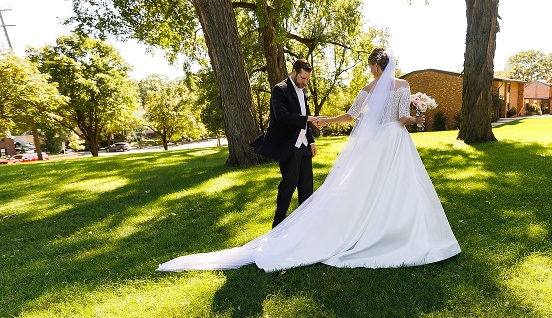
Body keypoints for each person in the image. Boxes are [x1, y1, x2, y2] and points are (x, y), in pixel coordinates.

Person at [157, 48, 460, 272]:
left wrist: (329, 119)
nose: (370, 72)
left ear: (375, 67)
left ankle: (386, 229)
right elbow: (386, 117)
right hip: (392, 141)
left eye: (370, 67)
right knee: (390, 188)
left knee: (385, 187)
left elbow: (364, 116)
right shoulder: (394, 87)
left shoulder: (382, 89)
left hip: (386, 142)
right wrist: (417, 118)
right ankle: (393, 232)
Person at [255, 59, 323, 227]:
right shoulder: (280, 89)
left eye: (307, 79)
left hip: (304, 145)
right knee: (289, 184)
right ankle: (277, 225)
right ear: (294, 72)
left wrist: (311, 141)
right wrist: (308, 118)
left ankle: (305, 225)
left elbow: (304, 118)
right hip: (288, 145)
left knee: (307, 186)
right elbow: (282, 116)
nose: (305, 82)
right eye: (303, 78)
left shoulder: (303, 90)